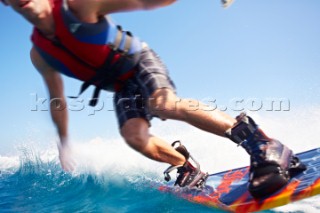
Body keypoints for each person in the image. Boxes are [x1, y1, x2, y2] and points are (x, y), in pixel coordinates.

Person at [1, 0, 305, 198]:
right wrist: (64, 140)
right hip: (120, 85)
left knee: (163, 104)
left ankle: (260, 143)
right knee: (134, 137)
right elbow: (56, 98)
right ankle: (188, 166)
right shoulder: (39, 54)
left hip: (137, 61)